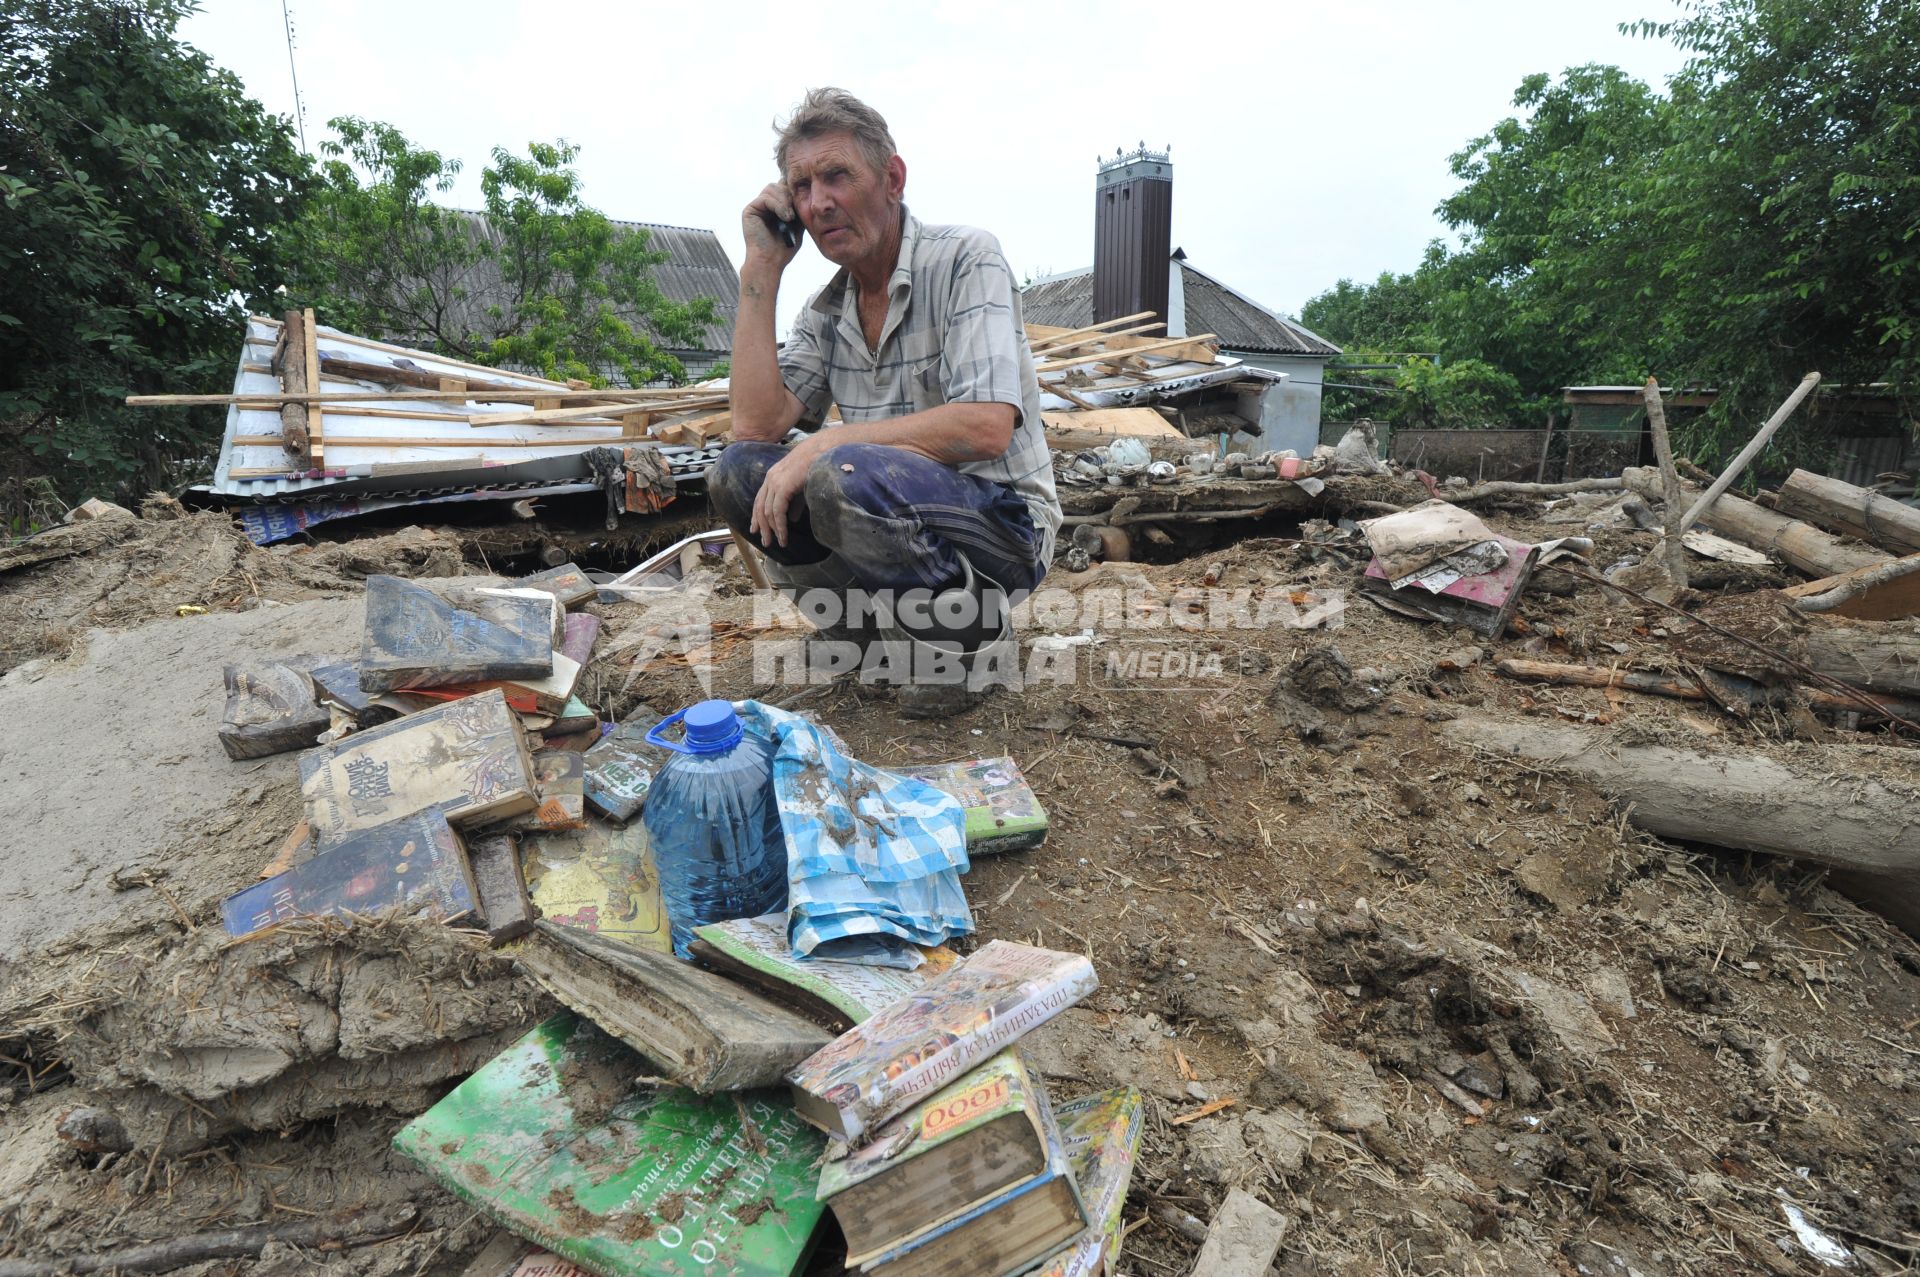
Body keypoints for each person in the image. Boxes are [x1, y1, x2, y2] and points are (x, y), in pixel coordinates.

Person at [712, 87, 1060, 717]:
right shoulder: (828, 310)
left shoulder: (964, 259)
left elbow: (985, 428)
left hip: (1004, 526)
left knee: (843, 471)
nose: (819, 202)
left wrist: (827, 441)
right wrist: (760, 269)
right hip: (894, 506)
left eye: (837, 175)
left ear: (892, 178)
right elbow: (754, 427)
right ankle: (867, 641)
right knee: (740, 474)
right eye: (802, 186)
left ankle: (969, 646)